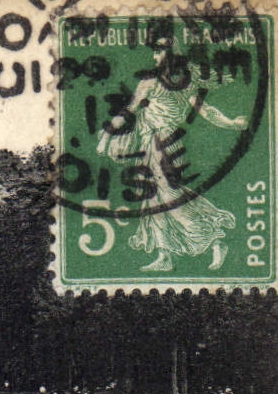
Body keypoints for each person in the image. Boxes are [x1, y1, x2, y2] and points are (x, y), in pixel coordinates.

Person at [97, 46, 246, 272]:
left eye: (160, 52)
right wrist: (106, 136)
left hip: (165, 144)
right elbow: (129, 111)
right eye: (155, 52)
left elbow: (205, 110)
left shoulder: (184, 84)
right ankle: (165, 255)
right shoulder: (149, 83)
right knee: (153, 200)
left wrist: (231, 123)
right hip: (148, 145)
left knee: (170, 198)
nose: (155, 57)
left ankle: (214, 240)